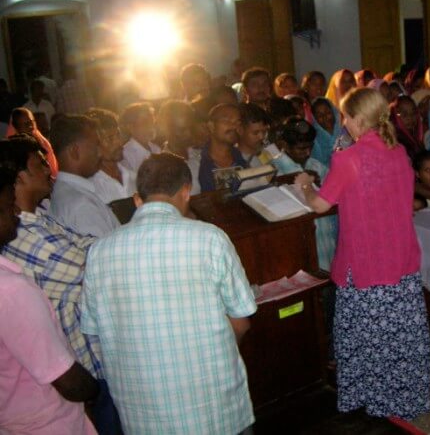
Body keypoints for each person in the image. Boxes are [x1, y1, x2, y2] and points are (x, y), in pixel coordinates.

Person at [80, 153, 257, 434]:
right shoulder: (210, 238)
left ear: (138, 199)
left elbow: (93, 330)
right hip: (213, 408)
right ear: (186, 192)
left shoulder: (99, 251)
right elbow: (241, 320)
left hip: (142, 416)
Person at [294, 87, 430, 420]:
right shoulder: (399, 152)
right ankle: (405, 398)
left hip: (366, 267)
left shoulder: (349, 159)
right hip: (400, 262)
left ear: (357, 119)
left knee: (370, 340)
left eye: (345, 117)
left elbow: (320, 204)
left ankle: (376, 401)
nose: (343, 123)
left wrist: (304, 185)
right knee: (400, 338)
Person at [0, 136, 123, 434]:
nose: (49, 169)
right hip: (76, 375)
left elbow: (86, 244)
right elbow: (93, 269)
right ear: (20, 177)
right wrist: (90, 390)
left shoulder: (39, 217)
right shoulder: (24, 238)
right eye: (40, 164)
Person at [271, 117, 337, 271]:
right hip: (300, 247)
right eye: (301, 149)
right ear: (284, 145)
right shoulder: (275, 171)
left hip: (326, 242)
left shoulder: (316, 166)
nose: (307, 152)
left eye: (310, 147)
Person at [49, 115, 120, 237]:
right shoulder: (81, 205)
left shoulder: (65, 191)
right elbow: (107, 248)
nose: (100, 153)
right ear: (74, 151)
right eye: (96, 146)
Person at [87, 108, 137, 204]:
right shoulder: (91, 186)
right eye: (110, 138)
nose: (119, 142)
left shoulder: (133, 177)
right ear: (94, 144)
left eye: (118, 135)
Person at [198, 103, 247, 192]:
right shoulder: (197, 163)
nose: (234, 126)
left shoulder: (245, 159)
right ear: (211, 126)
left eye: (238, 122)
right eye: (227, 121)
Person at [157, 100, 202, 195]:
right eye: (182, 130)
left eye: (191, 128)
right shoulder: (161, 167)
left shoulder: (201, 153)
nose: (188, 134)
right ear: (166, 129)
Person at [7, 107, 59, 177]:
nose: (30, 126)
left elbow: (52, 170)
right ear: (16, 127)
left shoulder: (43, 143)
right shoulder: (11, 150)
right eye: (26, 124)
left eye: (31, 122)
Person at [119, 102, 161, 173]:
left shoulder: (156, 149)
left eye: (152, 122)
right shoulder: (125, 155)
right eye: (145, 123)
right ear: (130, 127)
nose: (150, 127)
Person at [236, 103, 271, 167]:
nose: (261, 137)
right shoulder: (234, 160)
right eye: (255, 133)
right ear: (240, 130)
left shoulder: (269, 151)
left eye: (264, 131)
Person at [310, 97, 342, 167]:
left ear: (333, 111)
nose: (325, 117)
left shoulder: (345, 130)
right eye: (319, 115)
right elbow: (317, 166)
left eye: (328, 112)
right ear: (314, 118)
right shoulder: (315, 140)